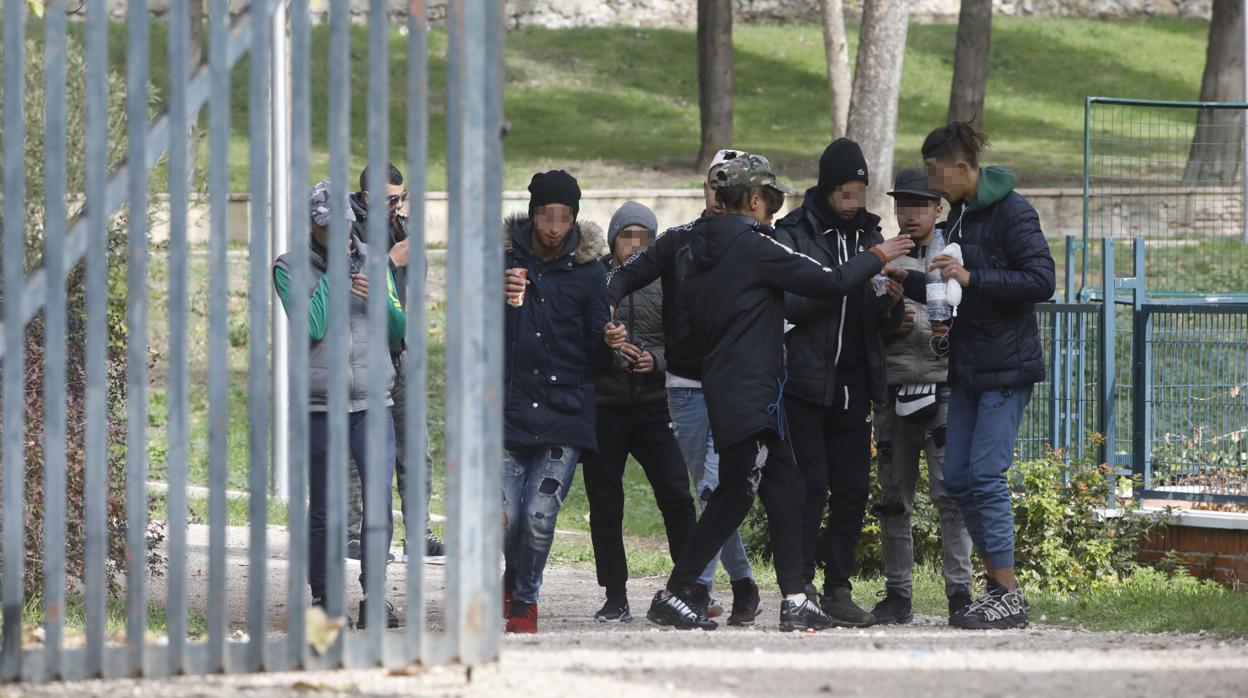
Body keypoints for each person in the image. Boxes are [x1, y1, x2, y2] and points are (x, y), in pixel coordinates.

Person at [645, 154, 915, 631]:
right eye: (769, 200)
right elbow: (828, 281)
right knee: (734, 494)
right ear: (751, 199)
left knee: (786, 486)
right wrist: (879, 254)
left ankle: (795, 596)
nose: (773, 210)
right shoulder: (752, 245)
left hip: (733, 387)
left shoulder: (698, 246)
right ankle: (676, 591)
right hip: (752, 392)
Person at [890, 122, 1056, 629]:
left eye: (938, 175)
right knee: (959, 478)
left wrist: (971, 276)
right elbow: (953, 289)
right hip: (966, 369)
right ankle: (997, 588)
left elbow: (1041, 280)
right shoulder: (958, 216)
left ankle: (1006, 593)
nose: (933, 187)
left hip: (1005, 368)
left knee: (984, 475)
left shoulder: (1013, 212)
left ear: (963, 168)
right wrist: (909, 282)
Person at [605, 149, 762, 626]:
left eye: (726, 184)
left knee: (715, 488)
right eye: (713, 183)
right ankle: (745, 585)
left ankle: (693, 589)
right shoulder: (678, 243)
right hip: (686, 386)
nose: (718, 193)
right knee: (712, 494)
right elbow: (624, 276)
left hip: (737, 387)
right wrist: (605, 307)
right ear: (705, 189)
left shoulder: (760, 243)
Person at [774, 137, 900, 627]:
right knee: (811, 485)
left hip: (854, 382)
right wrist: (845, 279)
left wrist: (886, 303)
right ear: (826, 189)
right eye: (845, 193)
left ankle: (838, 589)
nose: (853, 203)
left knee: (850, 490)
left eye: (860, 193)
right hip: (805, 381)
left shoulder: (872, 234)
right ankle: (800, 586)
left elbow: (876, 323)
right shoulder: (793, 233)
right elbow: (789, 302)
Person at [272, 180, 406, 629]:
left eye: (345, 225)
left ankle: (376, 598)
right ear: (313, 225)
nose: (341, 235)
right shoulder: (288, 266)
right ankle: (325, 599)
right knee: (327, 508)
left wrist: (382, 305)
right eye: (328, 227)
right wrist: (333, 274)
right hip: (319, 406)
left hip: (373, 401)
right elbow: (309, 326)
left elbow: (397, 327)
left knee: (378, 502)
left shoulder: (375, 259)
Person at [501, 170, 611, 634]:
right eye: (546, 215)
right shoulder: (501, 263)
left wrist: (609, 339)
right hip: (507, 412)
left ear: (574, 220)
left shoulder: (590, 272)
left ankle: (526, 600)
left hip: (565, 411)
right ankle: (513, 576)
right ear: (532, 214)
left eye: (563, 218)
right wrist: (502, 304)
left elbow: (597, 356)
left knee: (539, 517)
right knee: (505, 519)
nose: (553, 226)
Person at [582, 202, 698, 623]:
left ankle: (687, 586)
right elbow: (577, 341)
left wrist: (657, 361)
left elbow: (686, 340)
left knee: (677, 497)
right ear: (613, 238)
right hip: (604, 409)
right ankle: (615, 595)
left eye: (645, 238)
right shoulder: (593, 278)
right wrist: (607, 348)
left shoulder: (669, 281)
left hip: (654, 406)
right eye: (628, 235)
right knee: (606, 504)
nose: (636, 245)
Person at [869, 168, 974, 626]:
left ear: (938, 209)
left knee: (950, 496)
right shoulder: (882, 256)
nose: (909, 215)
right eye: (902, 206)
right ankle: (898, 595)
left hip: (943, 387)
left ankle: (960, 594)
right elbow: (865, 327)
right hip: (891, 392)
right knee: (894, 498)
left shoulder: (954, 255)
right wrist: (891, 318)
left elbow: (973, 316)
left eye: (919, 206)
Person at [345, 163, 446, 563]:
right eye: (392, 199)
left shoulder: (399, 228)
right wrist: (389, 258)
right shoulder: (346, 228)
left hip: (400, 351)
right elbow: (350, 282)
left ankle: (417, 531)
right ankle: (353, 533)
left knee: (415, 447)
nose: (399, 206)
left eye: (402, 198)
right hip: (361, 355)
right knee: (358, 449)